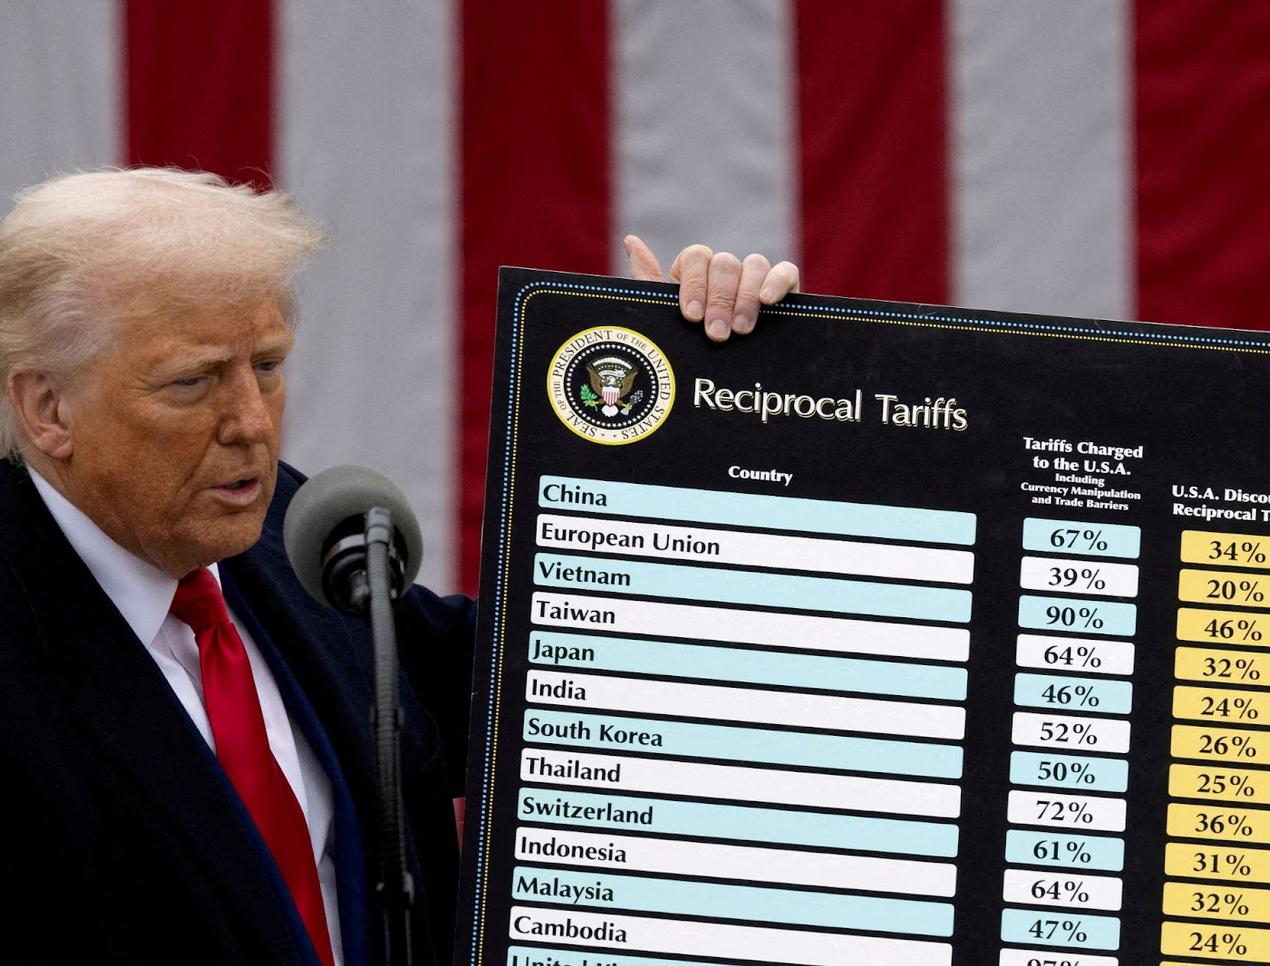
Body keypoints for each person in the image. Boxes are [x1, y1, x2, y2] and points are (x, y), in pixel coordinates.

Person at [0, 168, 799, 966]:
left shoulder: (293, 535)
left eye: (268, 367)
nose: (250, 423)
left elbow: (560, 685)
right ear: (47, 407)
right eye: (192, 381)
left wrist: (698, 415)